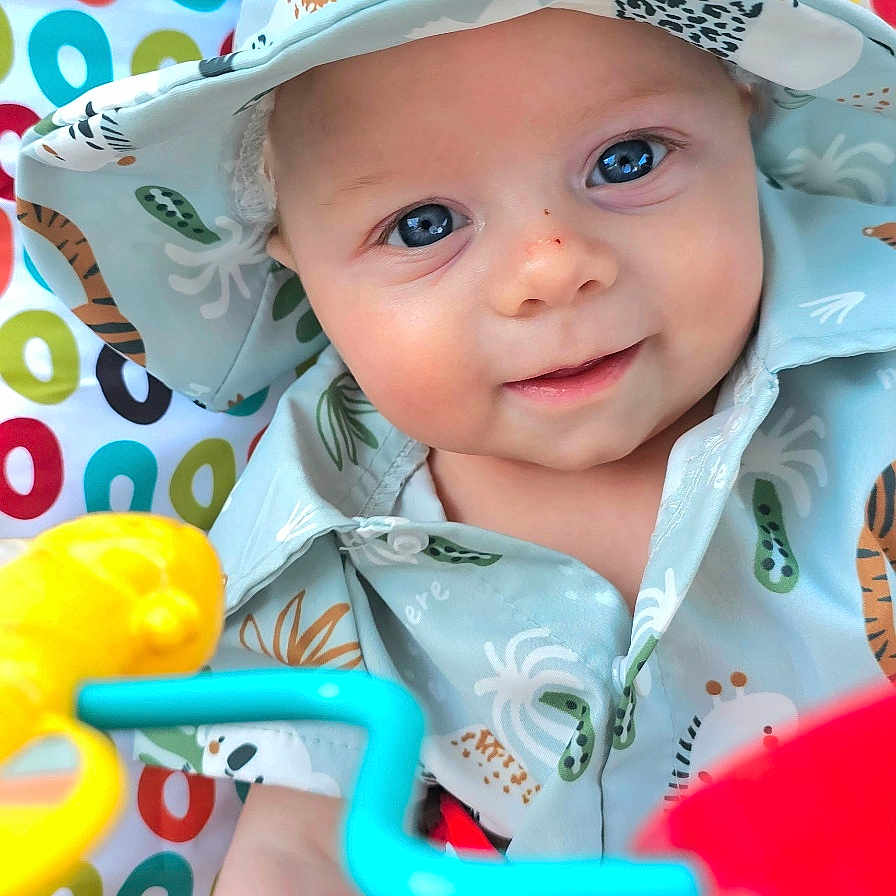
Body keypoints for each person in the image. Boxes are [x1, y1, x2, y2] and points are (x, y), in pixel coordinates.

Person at [14, 0, 896, 892]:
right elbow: (307, 852)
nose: (550, 269)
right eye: (423, 226)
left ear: (745, 107)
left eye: (626, 161)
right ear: (296, 264)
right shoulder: (320, 518)